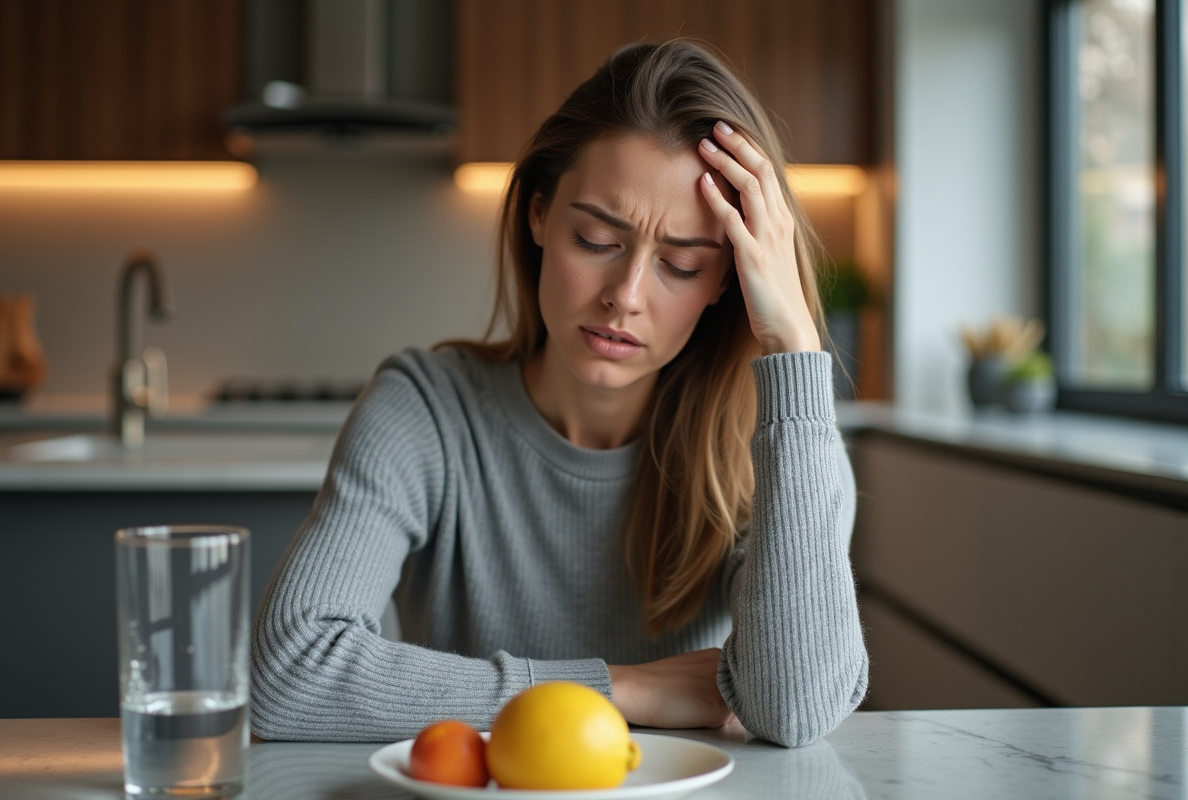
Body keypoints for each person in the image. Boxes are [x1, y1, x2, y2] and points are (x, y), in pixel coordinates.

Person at [251, 39, 868, 749]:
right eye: (597, 239)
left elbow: (795, 711)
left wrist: (795, 347)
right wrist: (620, 688)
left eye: (680, 264)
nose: (625, 297)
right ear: (540, 215)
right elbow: (290, 673)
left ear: (727, 280)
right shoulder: (423, 409)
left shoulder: (783, 446)